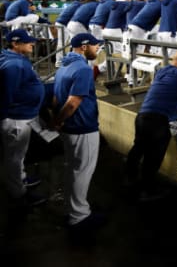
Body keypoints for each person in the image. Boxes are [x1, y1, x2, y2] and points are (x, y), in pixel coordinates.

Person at [52, 33, 105, 232]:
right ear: (84, 47)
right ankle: (79, 216)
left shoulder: (64, 64)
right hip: (82, 127)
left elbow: (56, 99)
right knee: (82, 172)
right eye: (95, 45)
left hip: (69, 128)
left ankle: (72, 209)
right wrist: (57, 121)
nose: (97, 49)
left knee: (73, 170)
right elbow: (73, 102)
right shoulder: (82, 68)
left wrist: (56, 120)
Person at [125, 50, 177, 201]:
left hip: (142, 116)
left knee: (138, 148)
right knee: (153, 157)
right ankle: (147, 191)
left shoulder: (163, 70)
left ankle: (130, 180)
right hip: (157, 120)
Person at [0, 29, 47, 207]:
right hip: (16, 119)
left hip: (19, 115)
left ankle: (20, 180)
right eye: (28, 41)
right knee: (14, 157)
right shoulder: (13, 65)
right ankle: (18, 194)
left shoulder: (14, 60)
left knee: (17, 156)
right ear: (15, 44)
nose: (32, 44)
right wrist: (5, 118)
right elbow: (6, 95)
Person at [53, 0, 83, 68]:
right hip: (63, 24)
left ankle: (68, 60)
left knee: (68, 42)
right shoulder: (78, 5)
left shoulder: (74, 4)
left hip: (62, 23)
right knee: (62, 44)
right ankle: (59, 63)